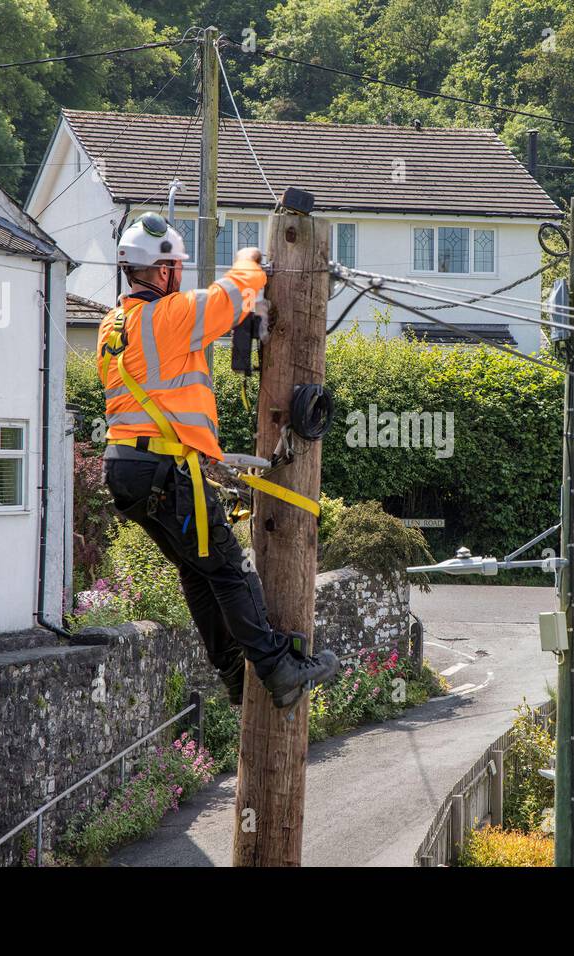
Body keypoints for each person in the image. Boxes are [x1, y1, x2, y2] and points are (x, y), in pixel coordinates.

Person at [97, 213, 340, 708]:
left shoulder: (113, 325)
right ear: (163, 271)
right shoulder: (171, 315)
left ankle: (233, 671)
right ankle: (278, 667)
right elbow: (238, 292)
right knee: (229, 566)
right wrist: (251, 256)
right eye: (177, 266)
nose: (180, 275)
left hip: (126, 468)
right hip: (165, 470)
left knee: (199, 569)